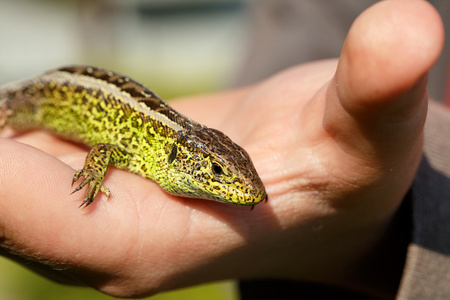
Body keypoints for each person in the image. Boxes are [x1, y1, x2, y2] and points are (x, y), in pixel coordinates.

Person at [0, 0, 447, 299]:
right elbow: (105, 148)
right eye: (216, 172)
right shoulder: (151, 146)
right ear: (184, 159)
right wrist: (93, 175)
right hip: (45, 95)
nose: (243, 190)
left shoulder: (172, 150)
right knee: (15, 113)